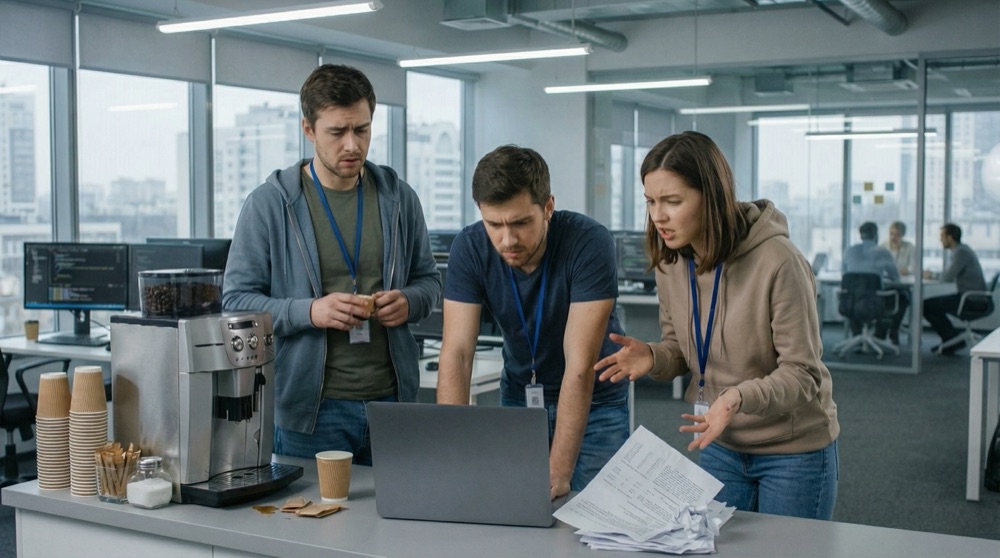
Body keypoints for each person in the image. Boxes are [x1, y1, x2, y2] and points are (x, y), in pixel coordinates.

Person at [594, 131, 839, 520]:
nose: (658, 216)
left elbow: (803, 374)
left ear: (713, 196)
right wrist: (654, 357)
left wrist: (737, 397)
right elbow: (682, 350)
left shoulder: (779, 262)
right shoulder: (672, 261)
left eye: (673, 201)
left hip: (791, 451)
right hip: (718, 441)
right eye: (651, 202)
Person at [222, 64, 441, 464]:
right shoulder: (271, 204)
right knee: (312, 524)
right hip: (312, 409)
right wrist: (311, 311)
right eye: (337, 132)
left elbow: (429, 280)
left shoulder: (399, 198)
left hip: (393, 401)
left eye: (362, 129)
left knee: (399, 524)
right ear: (308, 129)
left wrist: (410, 301)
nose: (352, 145)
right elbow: (236, 302)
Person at [436, 145, 630, 500]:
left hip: (595, 405)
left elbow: (579, 366)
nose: (507, 240)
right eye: (494, 224)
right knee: (518, 515)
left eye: (521, 223)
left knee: (597, 522)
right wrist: (454, 452)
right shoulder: (470, 247)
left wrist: (557, 472)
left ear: (548, 207)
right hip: (520, 400)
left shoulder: (588, 242)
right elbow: (458, 353)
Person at [922, 223, 987, 354]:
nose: (940, 239)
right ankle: (951, 340)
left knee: (925, 306)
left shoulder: (961, 252)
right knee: (928, 305)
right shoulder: (962, 250)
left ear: (950, 238)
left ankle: (951, 340)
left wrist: (931, 274)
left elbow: (948, 276)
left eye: (942, 236)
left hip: (971, 300)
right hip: (971, 296)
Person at [842, 221, 908, 345]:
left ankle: (857, 335)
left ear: (860, 236)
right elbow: (895, 278)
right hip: (875, 302)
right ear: (876, 235)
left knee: (854, 296)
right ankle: (881, 334)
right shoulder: (883, 252)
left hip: (851, 303)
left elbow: (844, 274)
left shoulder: (849, 251)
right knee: (904, 296)